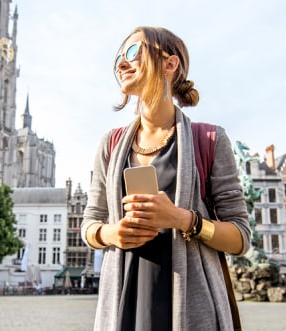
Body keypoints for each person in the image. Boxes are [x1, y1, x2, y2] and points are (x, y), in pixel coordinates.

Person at [82, 26, 251, 331]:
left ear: (169, 64)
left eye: (133, 52)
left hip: (190, 308)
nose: (122, 63)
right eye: (118, 58)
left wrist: (184, 220)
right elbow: (90, 223)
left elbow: (241, 237)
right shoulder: (110, 144)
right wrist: (112, 234)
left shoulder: (210, 139)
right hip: (124, 305)